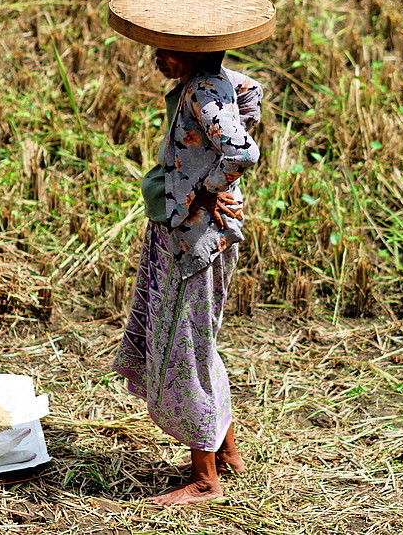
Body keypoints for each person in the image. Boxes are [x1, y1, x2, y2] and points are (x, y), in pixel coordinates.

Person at [111, 46, 265, 506]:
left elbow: (242, 152)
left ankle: (204, 480)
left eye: (168, 52)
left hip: (195, 237)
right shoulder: (218, 81)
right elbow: (251, 93)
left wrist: (205, 189)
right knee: (197, 339)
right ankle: (226, 455)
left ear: (196, 53)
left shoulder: (202, 91)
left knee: (186, 344)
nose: (157, 58)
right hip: (184, 231)